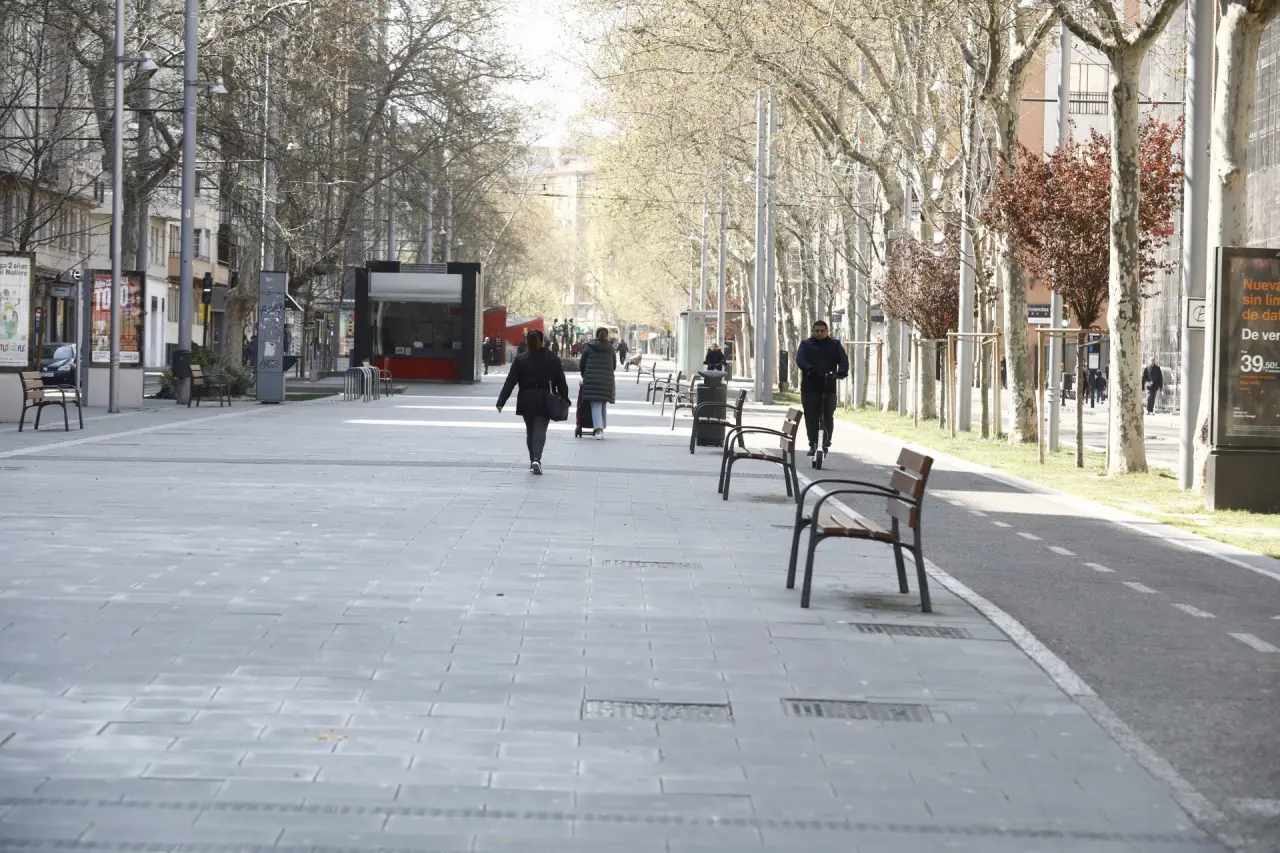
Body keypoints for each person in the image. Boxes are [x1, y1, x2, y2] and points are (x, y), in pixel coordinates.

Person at [497, 330, 569, 475]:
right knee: (540, 430)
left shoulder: (521, 359)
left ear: (527, 342)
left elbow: (511, 381)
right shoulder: (552, 358)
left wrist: (501, 401)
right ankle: (537, 459)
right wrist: (565, 399)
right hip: (544, 398)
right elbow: (561, 381)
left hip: (526, 398)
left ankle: (532, 461)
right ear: (542, 341)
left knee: (530, 430)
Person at [795, 320, 849, 457]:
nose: (819, 333)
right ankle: (813, 443)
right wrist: (809, 368)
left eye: (822, 331)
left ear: (827, 331)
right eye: (816, 331)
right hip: (810, 387)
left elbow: (843, 359)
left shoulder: (835, 345)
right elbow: (800, 359)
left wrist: (842, 371)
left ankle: (825, 443)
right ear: (812, 331)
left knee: (827, 416)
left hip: (828, 386)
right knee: (811, 416)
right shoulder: (805, 344)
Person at [579, 326, 617, 439]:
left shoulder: (589, 347)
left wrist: (585, 375)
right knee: (603, 403)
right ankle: (601, 428)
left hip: (592, 379)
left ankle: (598, 430)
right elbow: (614, 366)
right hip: (607, 380)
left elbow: (582, 364)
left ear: (596, 335)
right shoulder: (611, 348)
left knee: (595, 404)